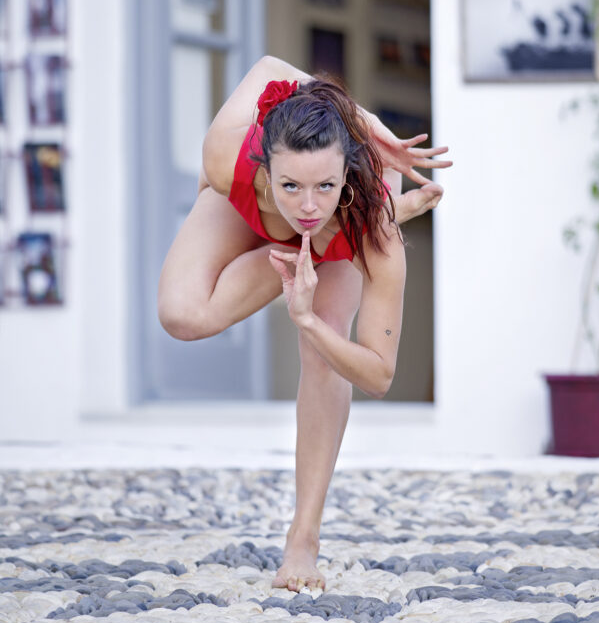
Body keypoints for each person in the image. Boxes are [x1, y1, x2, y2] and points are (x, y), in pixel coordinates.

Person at [157, 54, 452, 593]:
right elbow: (271, 65)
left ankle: (303, 539)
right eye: (292, 185)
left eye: (324, 187)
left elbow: (379, 377)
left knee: (325, 345)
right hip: (244, 206)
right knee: (182, 314)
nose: (309, 206)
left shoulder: (373, 234)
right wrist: (370, 122)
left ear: (345, 176)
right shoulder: (230, 158)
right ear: (267, 169)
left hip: (354, 225)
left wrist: (310, 321)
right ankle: (297, 243)